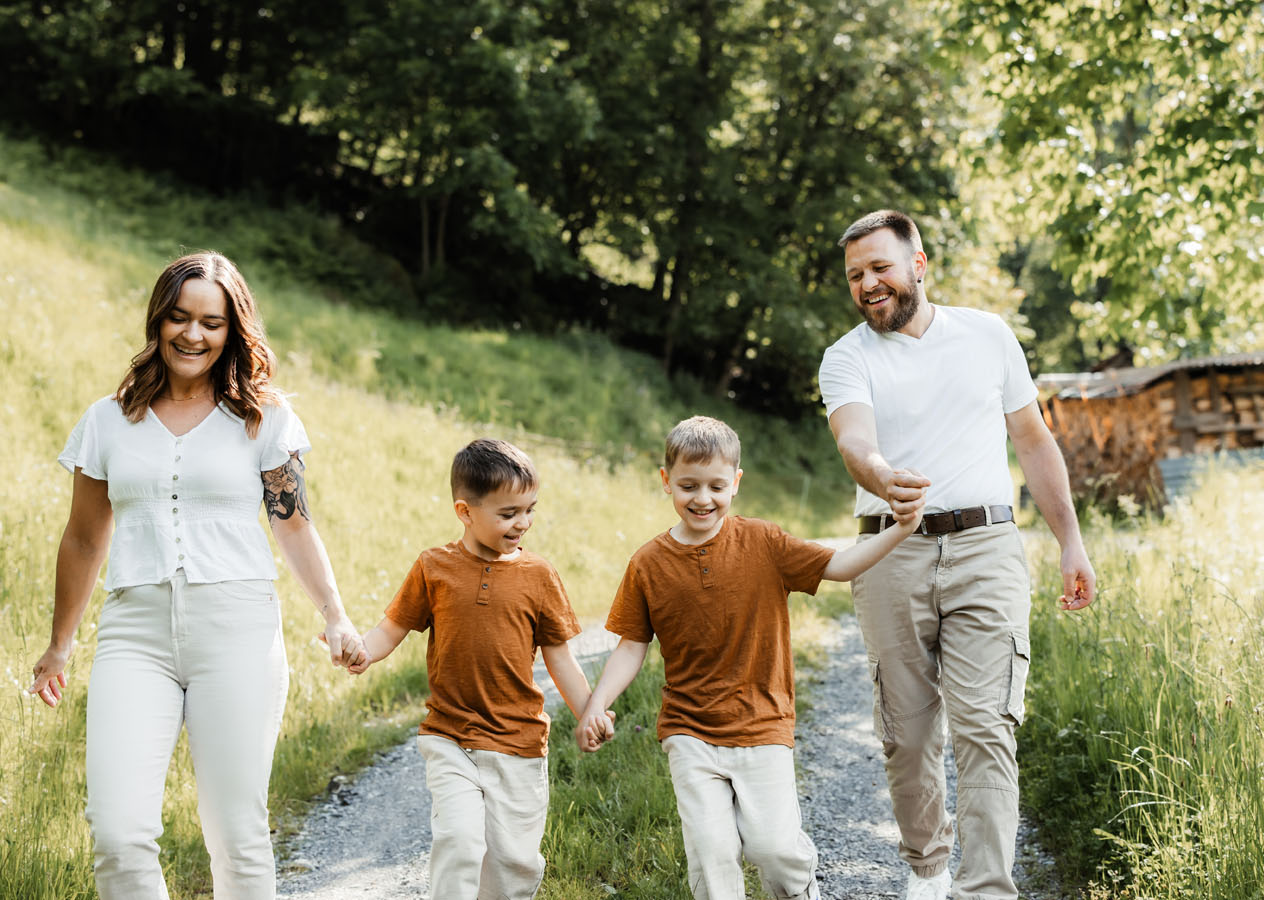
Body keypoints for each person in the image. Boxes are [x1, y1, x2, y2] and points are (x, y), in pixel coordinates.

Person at [27, 251, 366, 899]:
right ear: (158, 321)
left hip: (236, 631)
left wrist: (334, 615)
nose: (192, 334)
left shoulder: (262, 419)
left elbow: (292, 523)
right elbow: (82, 537)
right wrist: (59, 643)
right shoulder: (108, 420)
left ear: (232, 330)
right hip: (135, 635)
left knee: (236, 833)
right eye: (179, 318)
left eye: (211, 322)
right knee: (119, 834)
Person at [818, 209, 1096, 900]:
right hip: (890, 550)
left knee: (986, 729)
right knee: (907, 736)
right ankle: (929, 870)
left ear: (918, 263)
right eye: (855, 276)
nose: (868, 284)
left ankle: (987, 889)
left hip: (988, 547)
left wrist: (1071, 541)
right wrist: (882, 474)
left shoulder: (988, 335)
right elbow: (855, 440)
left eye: (879, 267)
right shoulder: (846, 355)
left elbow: (1032, 441)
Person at [574, 415, 925, 900]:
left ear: (735, 483)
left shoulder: (764, 542)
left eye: (716, 485)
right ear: (665, 482)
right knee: (712, 854)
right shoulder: (647, 564)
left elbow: (839, 566)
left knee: (775, 849)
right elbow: (632, 645)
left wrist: (899, 531)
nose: (702, 498)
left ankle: (801, 891)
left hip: (762, 724)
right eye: (688, 485)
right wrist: (596, 704)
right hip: (688, 730)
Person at [346, 437, 597, 900]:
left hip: (518, 743)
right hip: (450, 737)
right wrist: (362, 651)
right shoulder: (434, 568)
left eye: (530, 509)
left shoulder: (539, 576)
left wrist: (590, 710)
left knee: (513, 864)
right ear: (465, 512)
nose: (522, 523)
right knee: (459, 843)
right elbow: (391, 628)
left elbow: (560, 657)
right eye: (508, 514)